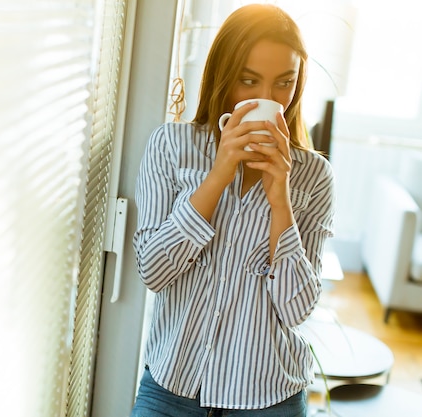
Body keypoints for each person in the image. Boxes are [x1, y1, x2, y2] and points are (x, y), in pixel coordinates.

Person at [130, 4, 335, 417]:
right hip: (171, 387)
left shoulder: (313, 176)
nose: (267, 99)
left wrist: (281, 198)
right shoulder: (171, 147)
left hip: (267, 399)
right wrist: (219, 173)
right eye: (248, 80)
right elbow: (153, 271)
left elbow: (297, 309)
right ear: (223, 75)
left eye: (284, 83)